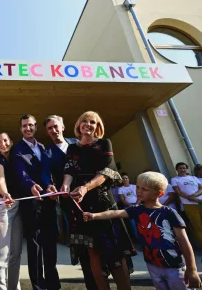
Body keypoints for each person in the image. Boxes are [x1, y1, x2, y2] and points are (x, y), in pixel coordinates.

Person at [83, 171, 202, 290]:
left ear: (159, 193)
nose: (139, 191)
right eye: (138, 187)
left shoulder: (169, 213)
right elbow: (115, 212)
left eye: (144, 189)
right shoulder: (137, 210)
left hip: (174, 267)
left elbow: (184, 242)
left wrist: (192, 270)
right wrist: (94, 215)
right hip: (152, 265)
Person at [59, 111, 135, 290]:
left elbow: (106, 171)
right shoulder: (72, 148)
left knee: (116, 251)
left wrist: (85, 187)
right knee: (93, 251)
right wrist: (65, 186)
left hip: (103, 201)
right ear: (78, 125)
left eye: (93, 122)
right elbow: (69, 170)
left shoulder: (104, 143)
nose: (88, 124)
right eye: (84, 121)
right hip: (81, 202)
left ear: (97, 126)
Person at [44, 115, 99, 290]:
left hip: (93, 198)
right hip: (70, 203)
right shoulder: (48, 152)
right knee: (82, 244)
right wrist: (49, 185)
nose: (53, 130)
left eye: (55, 126)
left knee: (99, 242)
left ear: (63, 126)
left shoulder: (79, 143)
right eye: (49, 128)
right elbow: (46, 173)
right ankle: (91, 284)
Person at [11, 114, 60, 290]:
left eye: (30, 125)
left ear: (36, 127)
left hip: (48, 203)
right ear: (20, 129)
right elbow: (20, 173)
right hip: (31, 204)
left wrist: (49, 186)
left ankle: (53, 284)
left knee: (50, 244)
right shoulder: (17, 150)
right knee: (35, 246)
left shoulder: (43, 147)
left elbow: (47, 173)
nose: (28, 128)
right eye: (24, 126)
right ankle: (38, 286)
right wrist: (31, 185)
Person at [0, 132, 22, 290]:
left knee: (16, 254)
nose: (2, 144)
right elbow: (0, 179)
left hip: (18, 206)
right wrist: (5, 194)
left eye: (5, 140)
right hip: (4, 206)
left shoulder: (17, 158)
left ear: (11, 141)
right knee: (2, 255)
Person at [171, 162, 202, 258]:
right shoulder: (175, 179)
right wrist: (191, 198)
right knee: (198, 227)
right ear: (177, 169)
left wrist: (194, 196)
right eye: (180, 168)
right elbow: (178, 192)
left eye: (184, 168)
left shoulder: (194, 178)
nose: (182, 169)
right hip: (189, 204)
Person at [118, 173, 139, 240]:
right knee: (133, 224)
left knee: (141, 222)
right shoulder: (120, 189)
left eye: (126, 178)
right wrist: (131, 206)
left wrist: (137, 205)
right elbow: (122, 200)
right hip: (128, 207)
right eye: (123, 178)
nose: (125, 179)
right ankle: (138, 240)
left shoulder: (135, 186)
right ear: (121, 180)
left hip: (138, 205)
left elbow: (140, 196)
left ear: (128, 179)